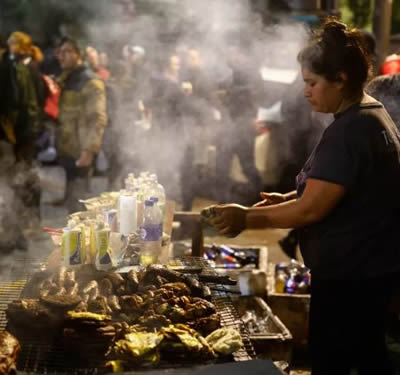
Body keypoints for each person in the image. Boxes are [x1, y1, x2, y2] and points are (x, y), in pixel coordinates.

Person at [209, 19, 400, 375]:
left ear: (341, 78)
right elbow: (345, 191)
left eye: (312, 83)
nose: (305, 92)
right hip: (367, 272)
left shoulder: (352, 130)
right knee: (369, 358)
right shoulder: (369, 113)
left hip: (351, 278)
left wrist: (245, 217)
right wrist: (290, 195)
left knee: (336, 363)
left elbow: (312, 209)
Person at [56, 38, 107, 212]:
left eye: (67, 52)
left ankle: (82, 239)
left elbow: (98, 118)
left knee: (79, 206)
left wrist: (89, 150)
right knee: (72, 203)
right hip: (68, 149)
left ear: (78, 55)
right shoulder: (66, 79)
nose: (61, 56)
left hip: (81, 151)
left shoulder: (90, 81)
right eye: (60, 52)